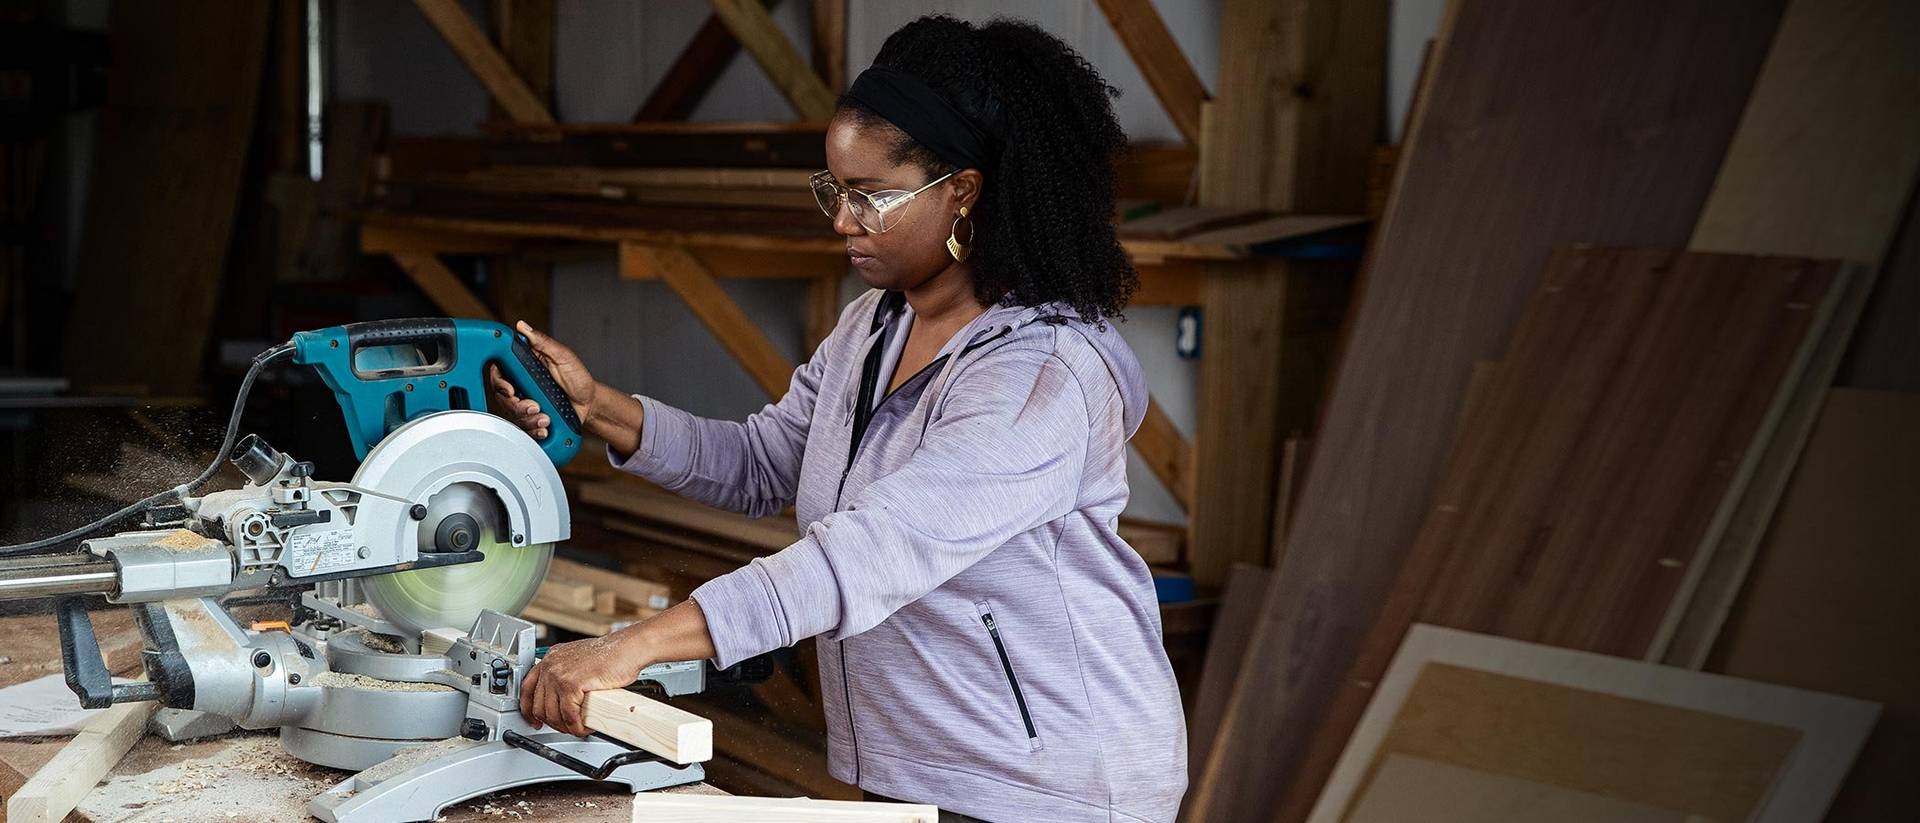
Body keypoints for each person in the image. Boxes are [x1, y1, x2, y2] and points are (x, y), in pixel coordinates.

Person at [492, 14, 1185, 822]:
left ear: (963, 190)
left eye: (872, 196)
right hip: (922, 765)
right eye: (834, 189)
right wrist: (600, 408)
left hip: (1051, 785)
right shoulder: (873, 327)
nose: (843, 221)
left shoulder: (1043, 376)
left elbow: (863, 556)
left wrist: (632, 645)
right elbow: (761, 463)